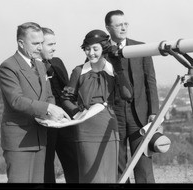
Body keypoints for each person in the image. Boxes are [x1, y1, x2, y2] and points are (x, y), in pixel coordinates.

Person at [0, 22, 70, 183]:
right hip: (19, 140)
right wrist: (49, 108)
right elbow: (16, 100)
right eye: (35, 43)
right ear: (21, 43)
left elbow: (48, 94)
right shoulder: (8, 66)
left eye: (41, 43)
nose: (39, 47)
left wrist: (51, 114)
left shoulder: (40, 65)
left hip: (40, 138)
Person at [61, 29, 133, 183]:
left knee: (110, 177)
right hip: (85, 130)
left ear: (104, 48)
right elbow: (65, 99)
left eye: (95, 49)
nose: (91, 53)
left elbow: (127, 95)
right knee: (91, 177)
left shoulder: (113, 70)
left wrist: (118, 67)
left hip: (109, 129)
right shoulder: (79, 71)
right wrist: (78, 113)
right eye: (87, 49)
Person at [105, 10, 159, 183]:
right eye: (118, 24)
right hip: (113, 115)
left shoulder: (141, 48)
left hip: (139, 115)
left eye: (125, 24)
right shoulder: (100, 51)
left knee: (143, 163)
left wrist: (154, 111)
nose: (123, 27)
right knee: (118, 164)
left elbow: (151, 81)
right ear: (108, 28)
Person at [39, 27, 79, 183]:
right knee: (46, 167)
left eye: (55, 44)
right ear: (38, 45)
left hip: (65, 123)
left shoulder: (58, 62)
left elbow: (67, 92)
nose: (54, 48)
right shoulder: (31, 67)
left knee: (74, 162)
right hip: (45, 124)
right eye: (50, 45)